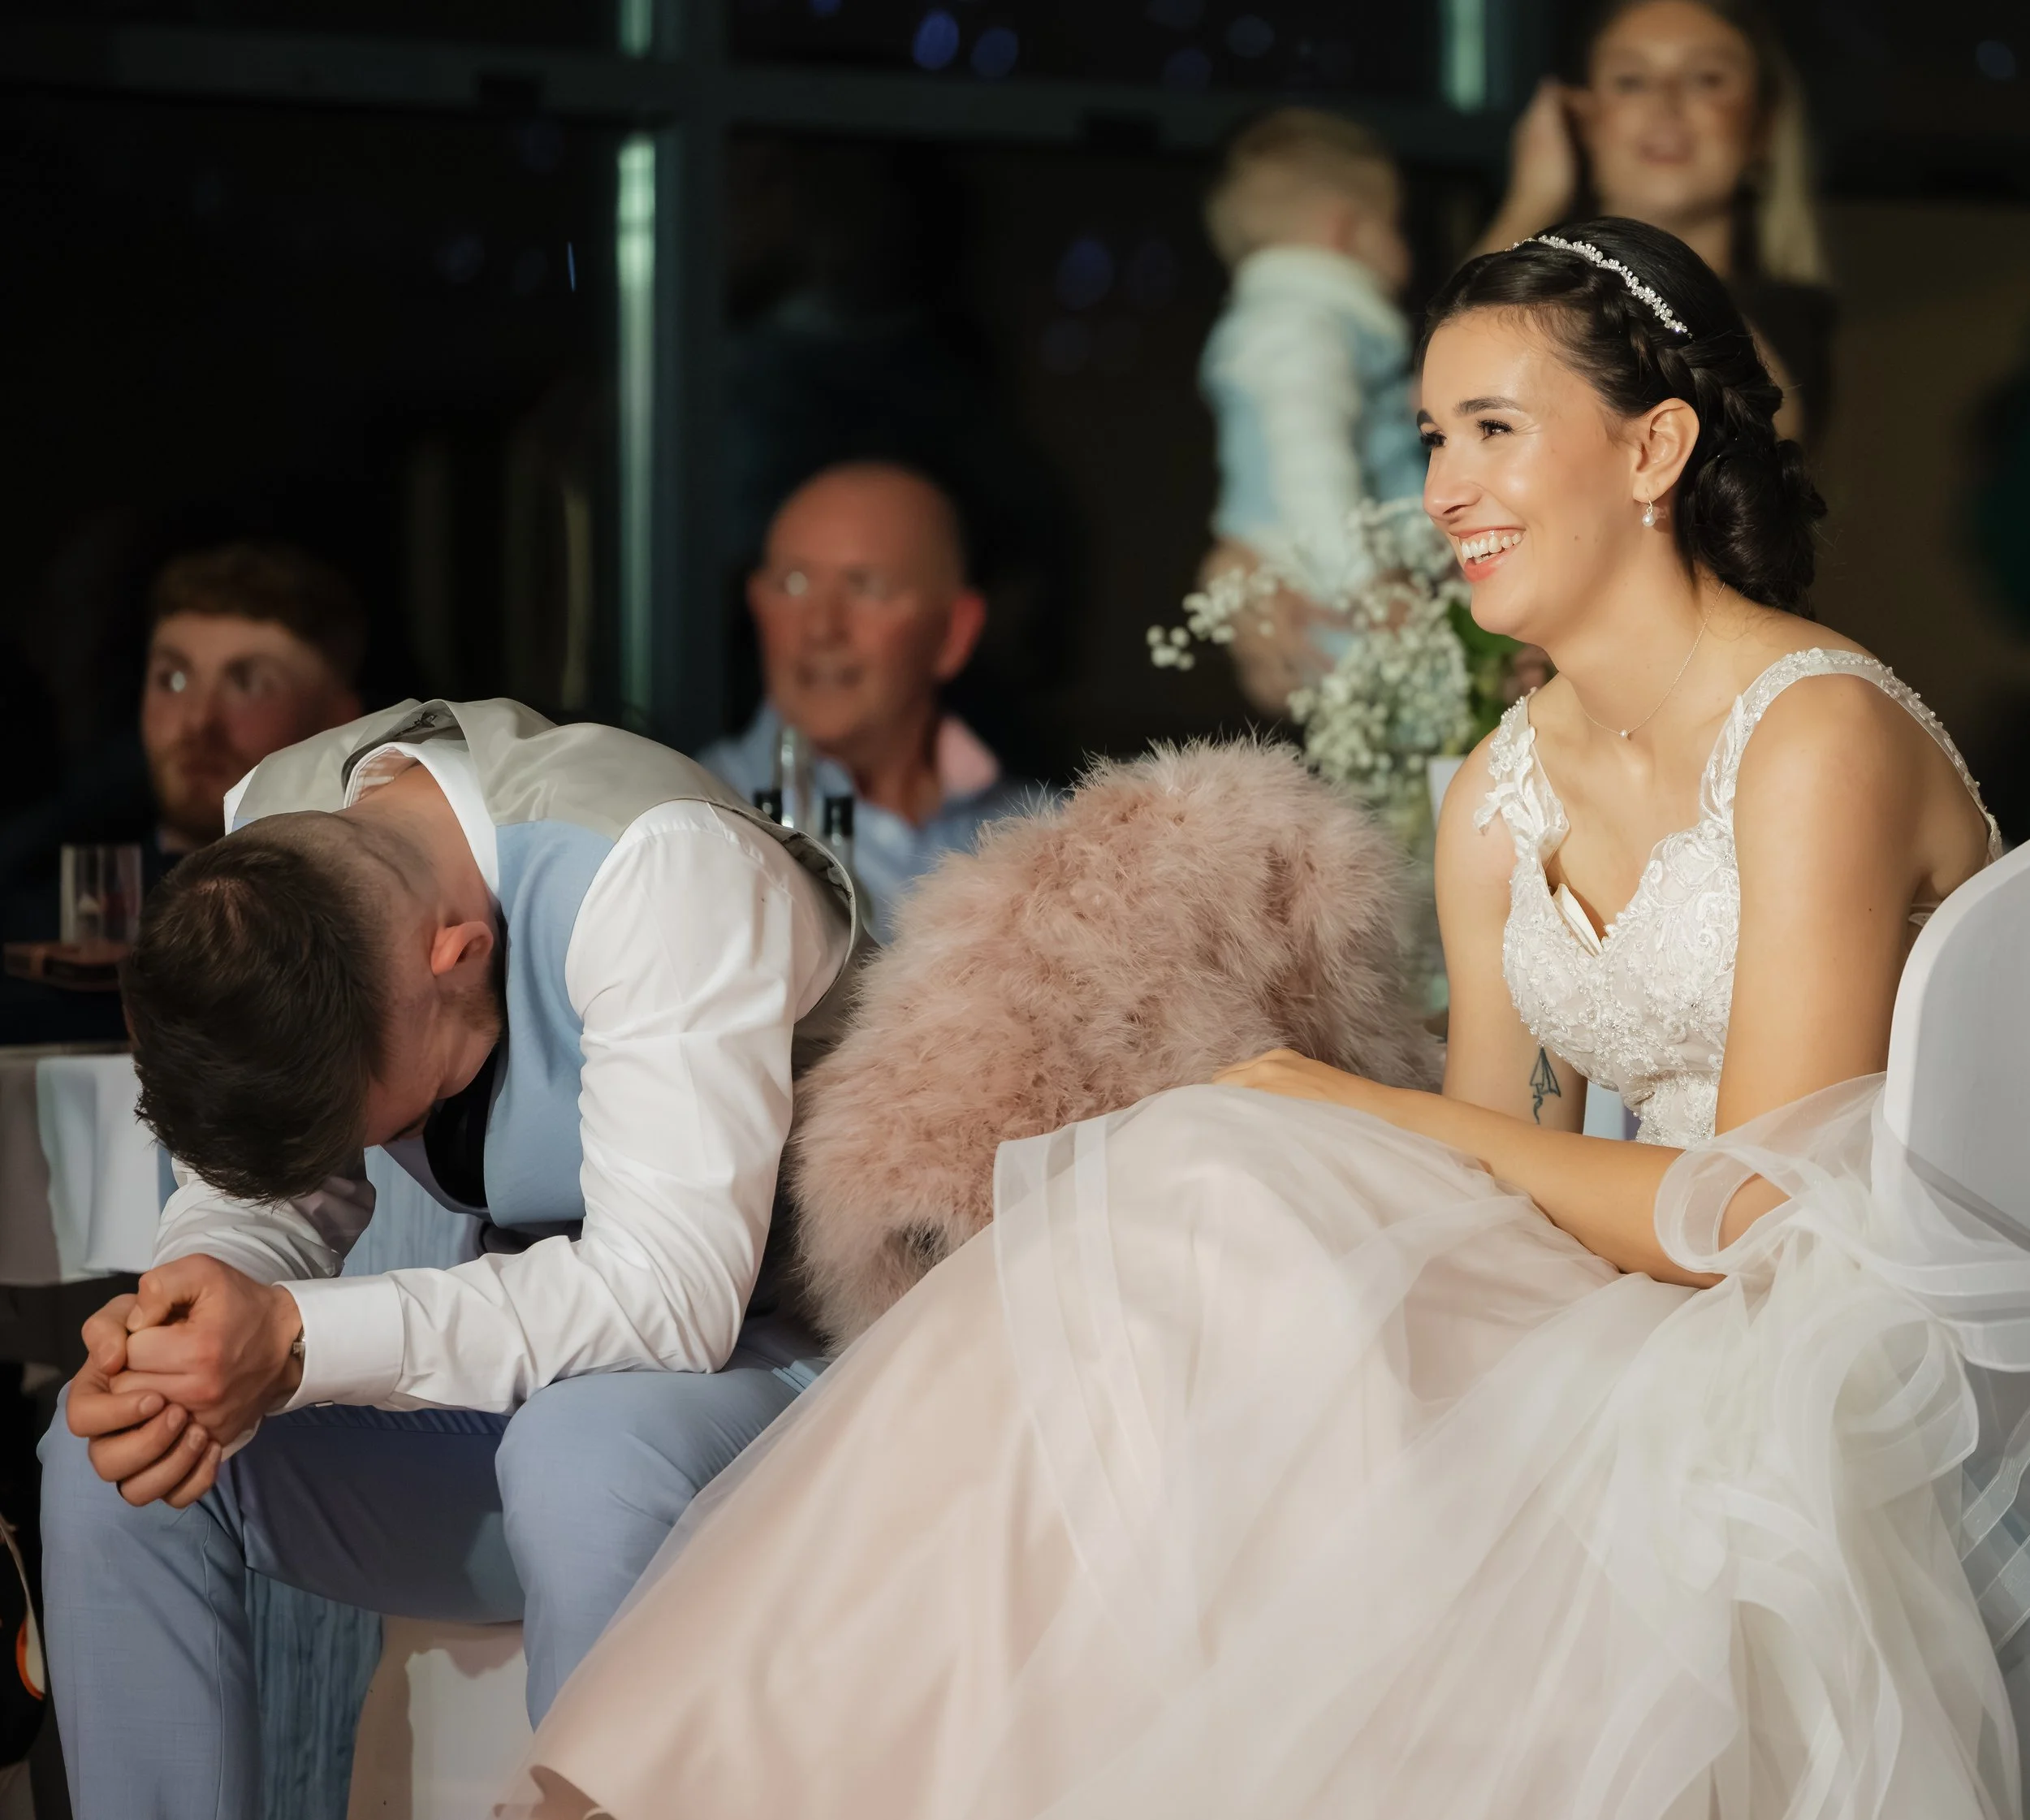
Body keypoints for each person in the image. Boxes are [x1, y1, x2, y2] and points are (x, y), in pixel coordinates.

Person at [507, 220, 2026, 1819]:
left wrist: (1328, 1104)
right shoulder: (1505, 789)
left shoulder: (1813, 738)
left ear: (1651, 447)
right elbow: (1497, 1155)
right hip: (1619, 1293)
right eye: (1434, 437)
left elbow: (1755, 1216)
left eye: (1494, 431)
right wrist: (1314, 1138)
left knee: (1224, 1177)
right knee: (1179, 1265)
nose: (1443, 487)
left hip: (1814, 1359)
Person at [38, 696, 864, 1818]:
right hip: (522, 1413)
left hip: (802, 1375)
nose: (379, 1147)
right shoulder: (279, 849)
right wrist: (197, 1313)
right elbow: (263, 1191)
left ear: (456, 952)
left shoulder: (658, 868)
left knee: (582, 1452)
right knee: (124, 1457)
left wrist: (290, 1339)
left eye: (374, 1119)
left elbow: (670, 1301)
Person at [1475, 0, 1834, 447]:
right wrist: (1532, 198)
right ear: (1584, 122)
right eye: (1630, 81)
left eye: (1708, 80)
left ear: (1763, 127)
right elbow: (1444, 396)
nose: (1665, 105)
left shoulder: (1788, 319)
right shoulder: (1545, 291)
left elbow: (1762, 428)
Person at [700, 461, 1034, 941]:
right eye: (793, 583)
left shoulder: (1049, 839)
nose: (821, 628)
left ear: (954, 633)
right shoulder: (695, 819)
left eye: (866, 587)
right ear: (758, 607)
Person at [1195, 108, 1428, 715]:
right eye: (1396, 227)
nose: (1405, 249)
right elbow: (1311, 463)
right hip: (1335, 590)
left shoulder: (1289, 324)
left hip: (1344, 579)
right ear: (1347, 231)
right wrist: (1367, 586)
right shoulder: (1303, 328)